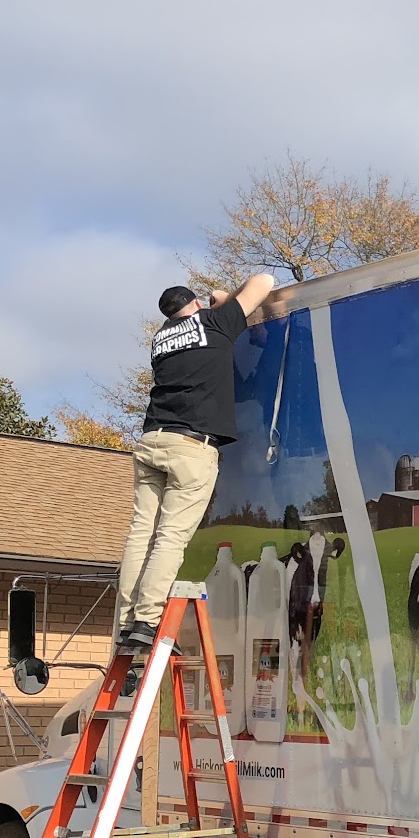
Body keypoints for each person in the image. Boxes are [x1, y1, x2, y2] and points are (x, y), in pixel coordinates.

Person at [114, 274, 276, 653]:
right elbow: (264, 281)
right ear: (197, 306)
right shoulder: (213, 323)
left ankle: (126, 624)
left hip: (151, 440)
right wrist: (223, 299)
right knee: (171, 536)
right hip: (191, 446)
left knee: (141, 534)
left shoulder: (160, 340)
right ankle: (147, 621)